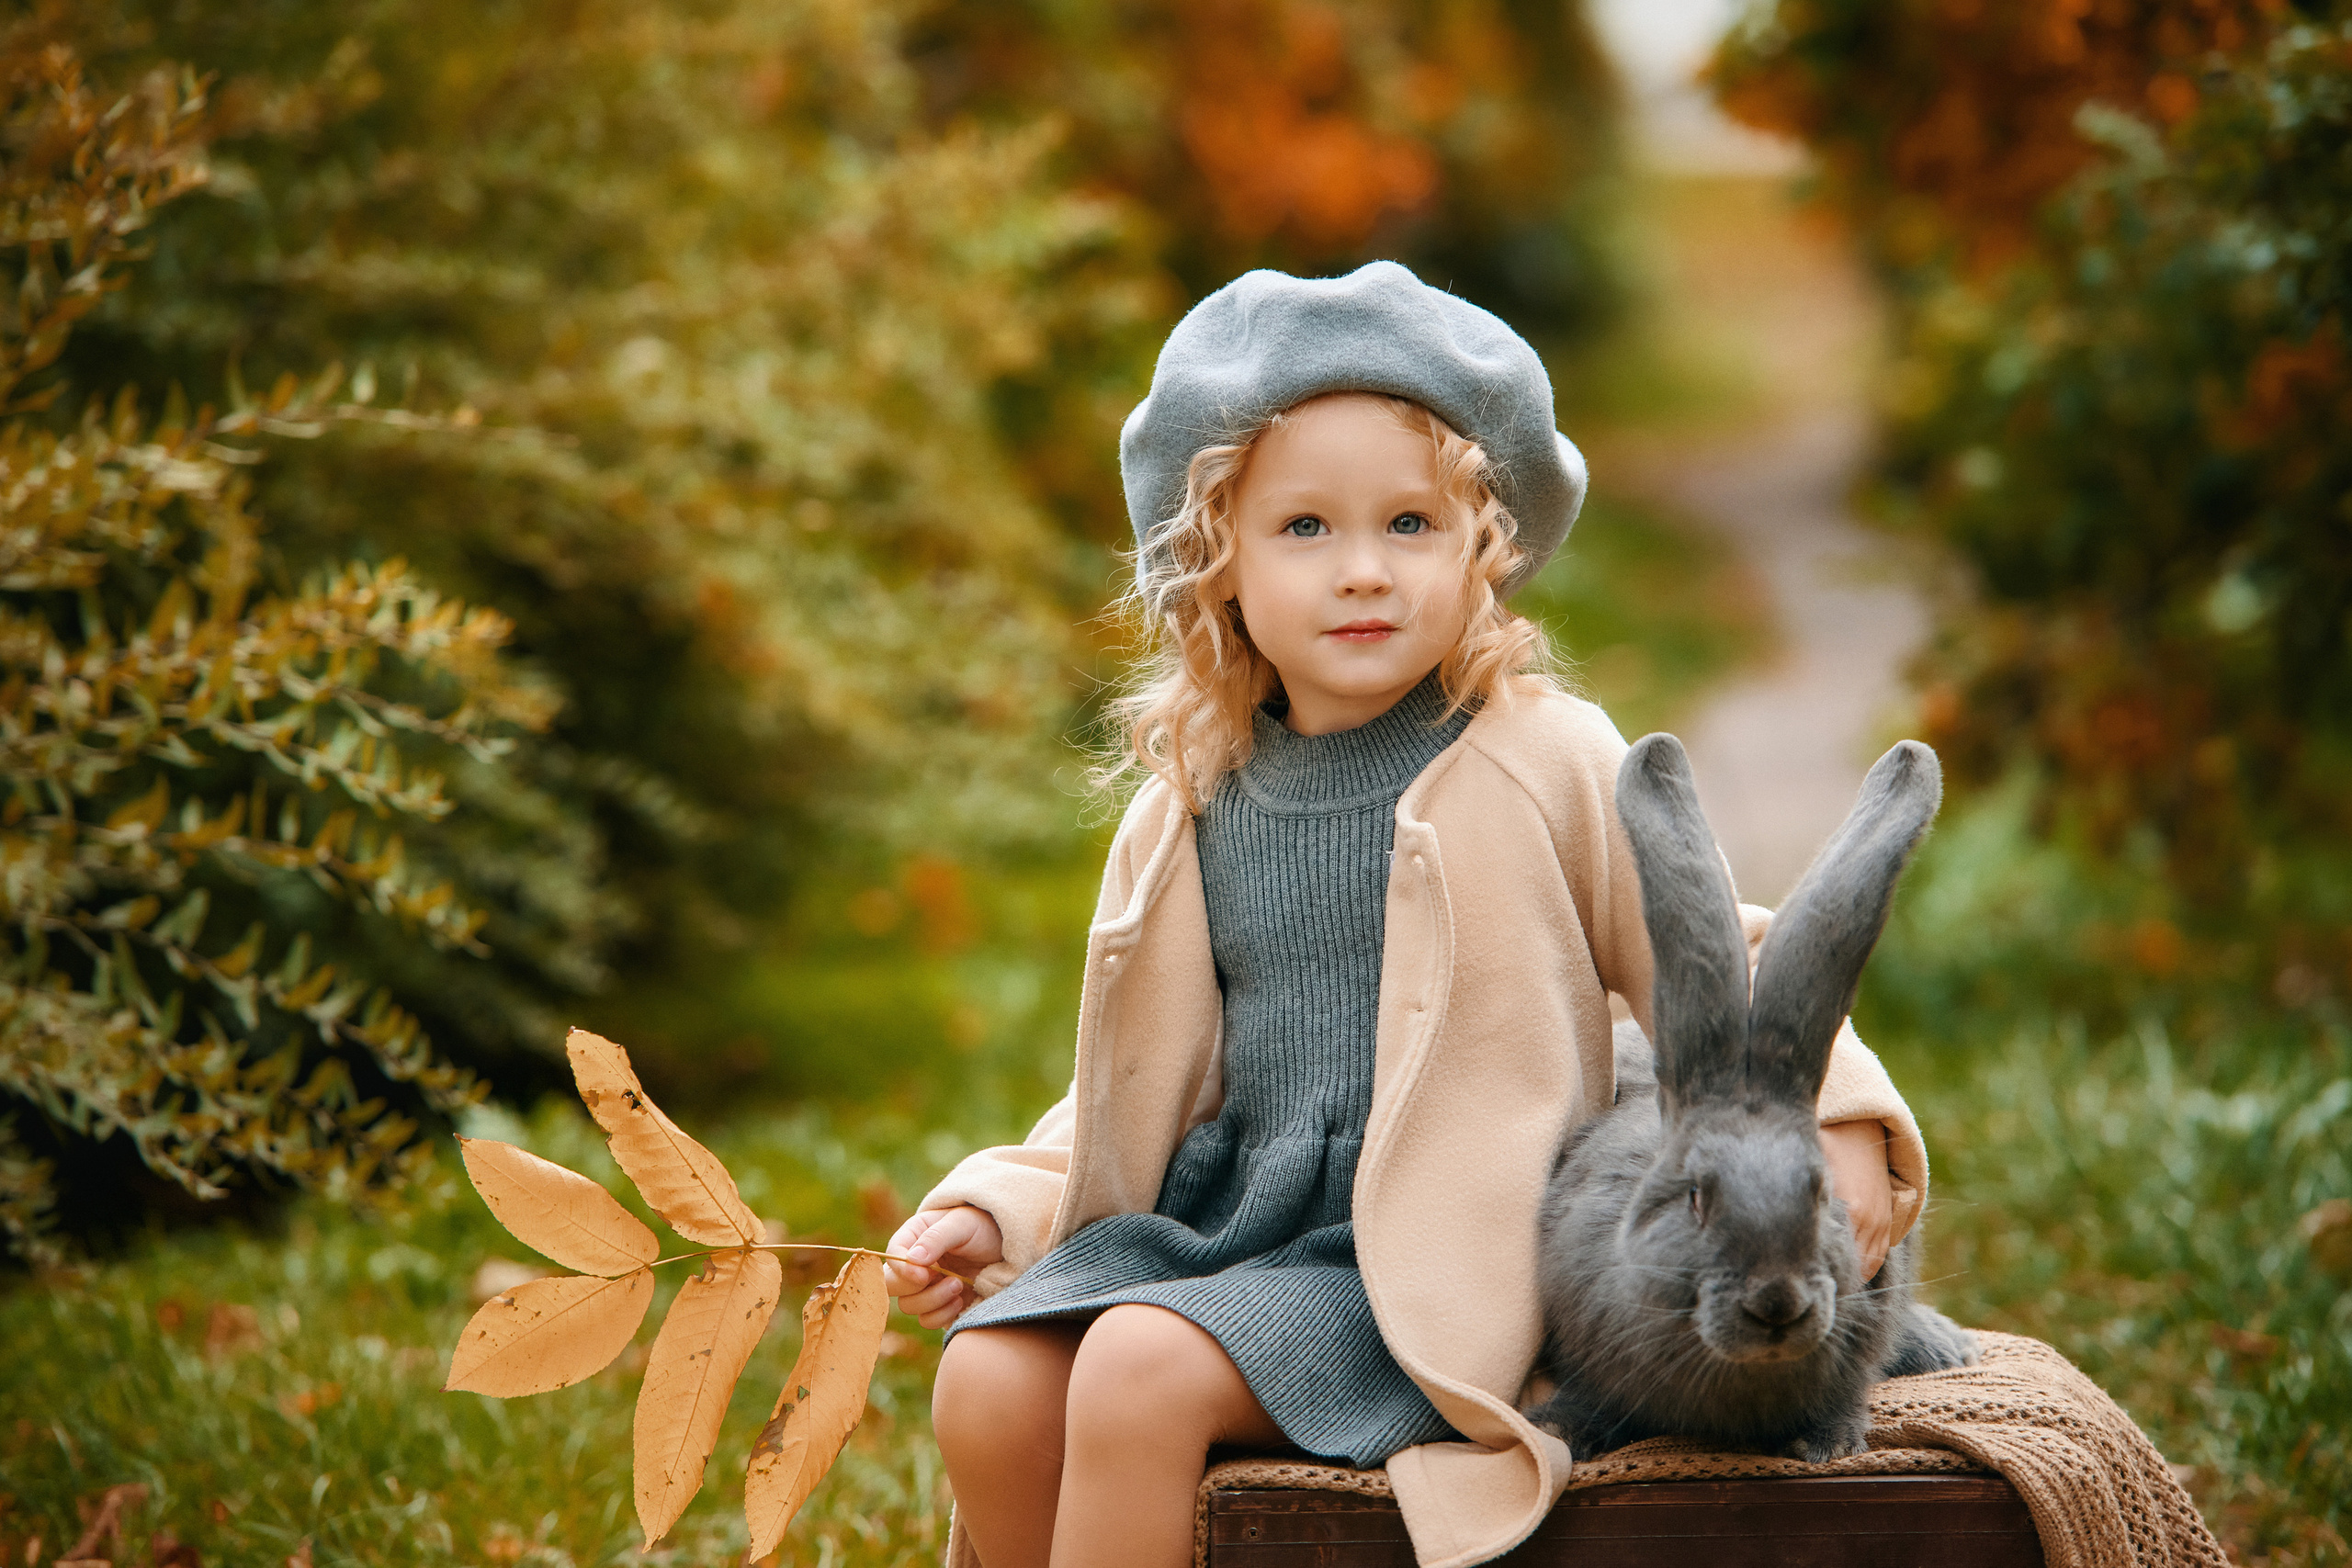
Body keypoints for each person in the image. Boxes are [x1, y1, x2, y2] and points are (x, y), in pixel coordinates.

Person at [881, 262, 1929, 1568]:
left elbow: (1736, 962)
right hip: (1222, 1234)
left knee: (1138, 1370)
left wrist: (1843, 1129)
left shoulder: (1544, 757)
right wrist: (1002, 1209)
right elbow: (1140, 1090)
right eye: (1305, 529)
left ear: (1484, 545)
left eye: (1412, 526)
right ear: (1217, 562)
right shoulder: (1197, 799)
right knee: (989, 1379)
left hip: (1424, 1268)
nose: (1363, 571)